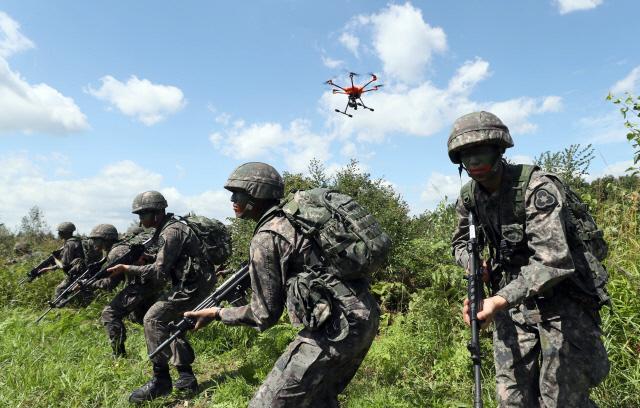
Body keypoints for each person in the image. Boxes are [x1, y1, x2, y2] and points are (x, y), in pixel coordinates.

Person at [184, 162, 380, 408]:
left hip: (336, 329)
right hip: (364, 315)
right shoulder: (296, 218)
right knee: (319, 399)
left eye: (238, 193)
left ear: (255, 194)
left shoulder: (267, 236)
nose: (233, 199)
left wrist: (218, 313)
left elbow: (263, 315)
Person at [449, 111, 610, 407]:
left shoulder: (537, 188)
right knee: (512, 398)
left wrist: (497, 301)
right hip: (513, 307)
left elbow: (552, 261)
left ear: (499, 150)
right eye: (466, 158)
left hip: (563, 303)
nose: (475, 165)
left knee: (561, 399)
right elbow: (459, 243)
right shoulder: (470, 198)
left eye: (481, 154)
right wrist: (475, 268)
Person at [106, 191, 216, 402]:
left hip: (192, 285)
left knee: (153, 319)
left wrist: (126, 268)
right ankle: (186, 378)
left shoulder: (170, 232)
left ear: (156, 214)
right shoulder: (167, 228)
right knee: (172, 324)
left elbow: (158, 272)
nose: (140, 220)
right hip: (193, 281)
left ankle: (161, 381)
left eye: (142, 214)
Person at [93, 227, 166, 357]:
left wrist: (90, 284)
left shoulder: (115, 252)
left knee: (110, 314)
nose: (94, 244)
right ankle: (160, 349)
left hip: (142, 285)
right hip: (153, 283)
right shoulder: (122, 247)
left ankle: (119, 355)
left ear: (105, 240)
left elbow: (110, 283)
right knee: (143, 318)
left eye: (96, 240)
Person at [36, 222, 86, 299]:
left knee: (59, 290)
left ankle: (59, 307)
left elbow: (64, 264)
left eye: (60, 232)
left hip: (76, 272)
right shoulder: (77, 240)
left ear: (65, 233)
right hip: (83, 270)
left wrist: (50, 265)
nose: (58, 233)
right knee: (81, 290)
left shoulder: (69, 244)